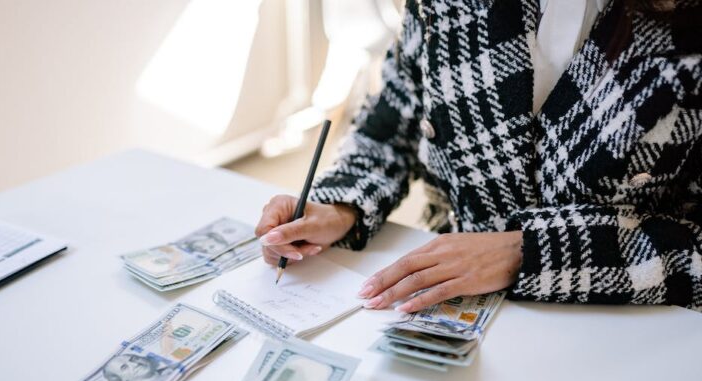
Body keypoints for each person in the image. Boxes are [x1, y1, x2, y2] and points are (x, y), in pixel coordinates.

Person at [256, 0, 702, 312]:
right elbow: (393, 122)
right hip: (449, 316)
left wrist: (532, 252)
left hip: (630, 336)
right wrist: (339, 203)